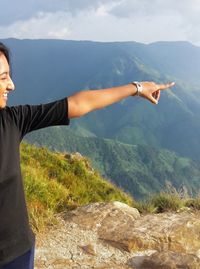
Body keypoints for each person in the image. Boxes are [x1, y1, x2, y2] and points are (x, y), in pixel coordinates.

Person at [0, 41, 175, 269]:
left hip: (17, 254)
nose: (12, 85)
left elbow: (79, 103)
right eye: (3, 77)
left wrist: (137, 88)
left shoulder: (12, 121)